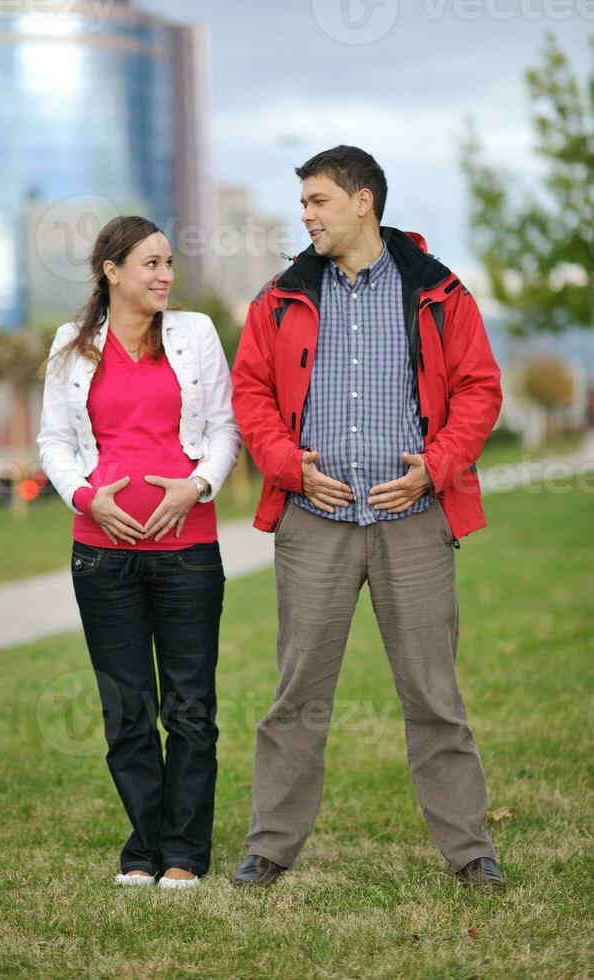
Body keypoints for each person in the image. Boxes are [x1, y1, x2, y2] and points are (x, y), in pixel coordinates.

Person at [230, 146, 505, 890]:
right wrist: (288, 466)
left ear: (363, 203)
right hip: (313, 521)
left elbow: (480, 390)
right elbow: (249, 392)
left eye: (318, 201)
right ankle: (269, 847)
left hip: (413, 521)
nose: (306, 216)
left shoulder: (440, 292)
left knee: (432, 694)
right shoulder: (279, 297)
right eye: (303, 204)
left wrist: (437, 464)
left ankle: (470, 851)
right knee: (296, 696)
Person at [38, 215, 241, 889]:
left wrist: (196, 486)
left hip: (188, 550)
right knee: (126, 710)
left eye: (167, 263)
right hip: (102, 555)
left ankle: (183, 854)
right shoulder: (71, 346)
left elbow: (223, 430)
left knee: (188, 707)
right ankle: (144, 847)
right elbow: (54, 444)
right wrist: (86, 497)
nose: (164, 275)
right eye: (149, 264)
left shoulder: (197, 334)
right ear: (111, 271)